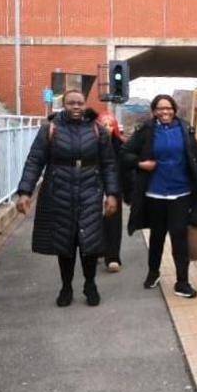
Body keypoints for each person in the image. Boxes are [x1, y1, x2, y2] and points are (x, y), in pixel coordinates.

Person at [15, 89, 120, 307]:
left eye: (79, 103)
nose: (76, 107)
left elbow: (109, 164)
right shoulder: (50, 129)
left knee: (89, 242)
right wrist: (25, 192)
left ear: (84, 105)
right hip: (58, 190)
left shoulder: (97, 129)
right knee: (65, 242)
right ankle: (66, 286)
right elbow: (35, 161)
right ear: (64, 105)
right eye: (71, 103)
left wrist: (112, 194)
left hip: (90, 191)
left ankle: (90, 284)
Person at [122, 94, 197, 298]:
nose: (165, 112)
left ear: (174, 110)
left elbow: (194, 159)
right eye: (160, 109)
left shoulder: (186, 130)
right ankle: (153, 273)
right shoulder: (146, 131)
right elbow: (125, 153)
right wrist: (140, 164)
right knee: (157, 237)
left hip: (182, 194)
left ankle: (182, 282)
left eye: (168, 108)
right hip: (155, 194)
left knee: (180, 238)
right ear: (154, 112)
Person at [97, 110, 125, 273]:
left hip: (114, 188)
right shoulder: (90, 143)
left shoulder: (120, 145)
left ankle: (113, 257)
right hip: (92, 187)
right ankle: (96, 251)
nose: (107, 128)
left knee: (113, 222)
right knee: (94, 222)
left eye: (110, 125)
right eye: (104, 124)